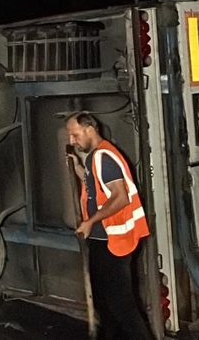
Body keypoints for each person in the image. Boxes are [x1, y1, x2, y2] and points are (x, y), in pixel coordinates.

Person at [65, 112, 153, 340]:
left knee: (123, 308)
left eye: (74, 135)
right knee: (106, 305)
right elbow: (97, 189)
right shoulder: (95, 157)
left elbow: (120, 197)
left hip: (113, 243)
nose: (72, 141)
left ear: (89, 129)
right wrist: (78, 169)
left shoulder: (105, 157)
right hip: (101, 240)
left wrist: (90, 222)